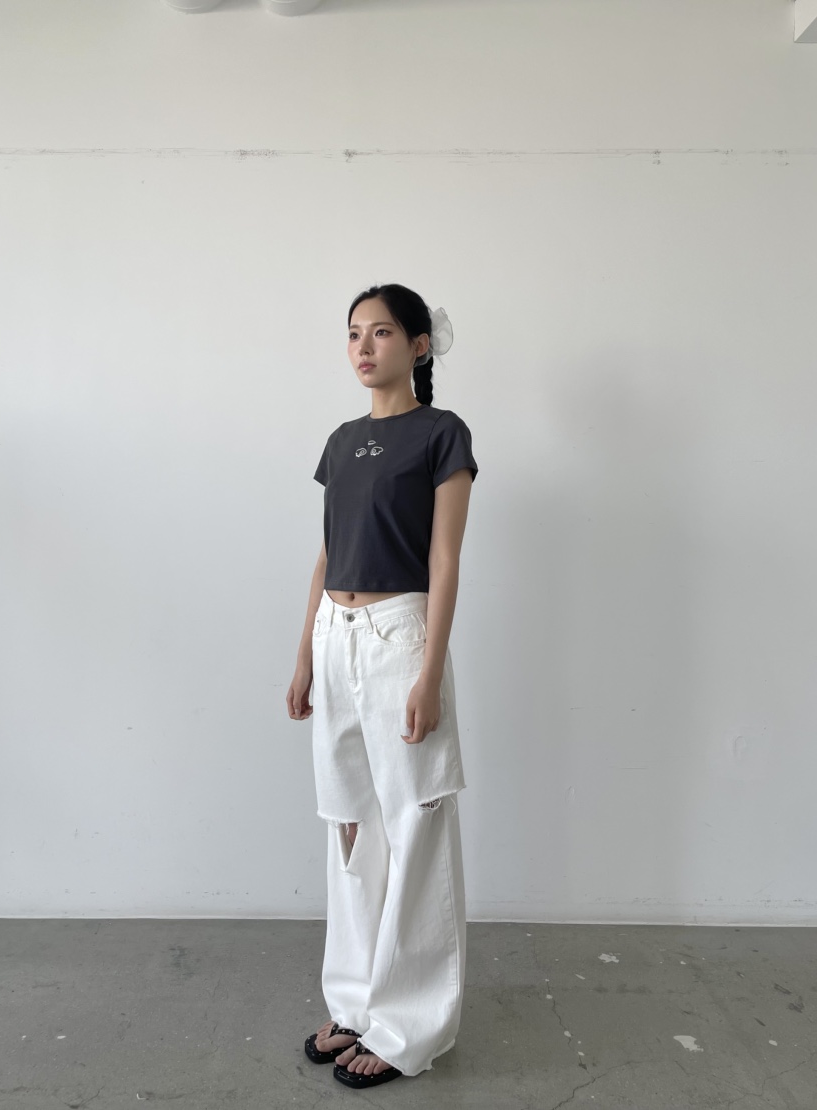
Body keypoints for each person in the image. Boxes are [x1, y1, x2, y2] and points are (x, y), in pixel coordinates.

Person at [286, 282, 478, 1088]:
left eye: (383, 332)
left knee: (413, 822)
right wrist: (305, 652)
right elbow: (329, 552)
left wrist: (430, 671)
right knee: (349, 825)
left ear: (419, 345)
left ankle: (411, 1027)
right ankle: (357, 1000)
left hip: (402, 635)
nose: (364, 347)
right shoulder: (340, 441)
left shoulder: (442, 434)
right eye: (354, 334)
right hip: (336, 635)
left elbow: (444, 559)